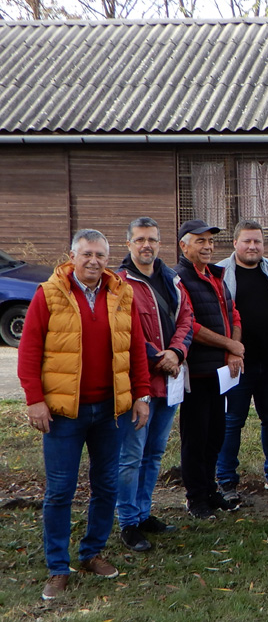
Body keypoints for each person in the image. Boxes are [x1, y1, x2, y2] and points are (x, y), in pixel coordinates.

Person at [18, 229, 151, 601]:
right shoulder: (49, 294)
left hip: (110, 411)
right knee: (60, 491)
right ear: (72, 256)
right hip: (64, 414)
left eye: (100, 255)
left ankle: (92, 552)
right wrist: (34, 400)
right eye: (87, 254)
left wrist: (141, 395)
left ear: (108, 259)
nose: (94, 261)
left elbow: (136, 348)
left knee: (106, 486)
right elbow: (29, 351)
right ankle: (58, 566)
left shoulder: (122, 293)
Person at [116, 217, 193, 552]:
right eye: (140, 239)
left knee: (154, 453)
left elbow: (187, 318)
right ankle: (128, 522)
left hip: (171, 379)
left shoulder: (172, 279)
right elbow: (123, 330)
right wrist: (157, 357)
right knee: (131, 455)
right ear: (128, 244)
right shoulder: (119, 284)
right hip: (139, 383)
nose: (146, 245)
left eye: (152, 239)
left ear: (160, 243)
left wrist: (176, 352)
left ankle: (144, 513)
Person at [216, 220, 268, 502]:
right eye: (247, 241)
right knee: (232, 422)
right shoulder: (220, 273)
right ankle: (226, 480)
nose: (253, 246)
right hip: (236, 364)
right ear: (235, 243)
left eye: (257, 242)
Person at [175, 219, 244, 520]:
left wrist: (233, 349)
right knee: (196, 438)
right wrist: (230, 344)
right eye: (200, 241)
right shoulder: (179, 279)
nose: (208, 246)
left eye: (210, 241)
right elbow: (189, 325)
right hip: (197, 373)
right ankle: (195, 498)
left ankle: (210, 490)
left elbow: (233, 313)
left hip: (220, 373)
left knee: (215, 434)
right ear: (184, 246)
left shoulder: (216, 275)